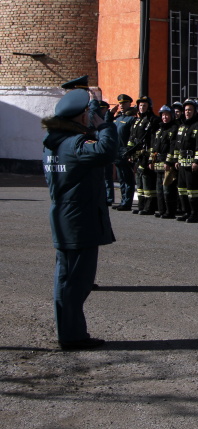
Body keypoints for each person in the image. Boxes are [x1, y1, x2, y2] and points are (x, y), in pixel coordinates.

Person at [43, 89, 118, 350]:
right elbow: (107, 152)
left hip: (66, 219)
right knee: (76, 281)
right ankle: (72, 336)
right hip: (78, 222)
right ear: (82, 115)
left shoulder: (54, 141)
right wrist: (106, 125)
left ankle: (70, 332)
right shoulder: (74, 144)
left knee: (67, 279)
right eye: (89, 113)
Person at [174, 99, 198, 223]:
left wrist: (197, 162)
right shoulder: (182, 126)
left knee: (193, 190)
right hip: (182, 163)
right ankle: (186, 212)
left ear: (195, 112)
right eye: (186, 110)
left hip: (193, 164)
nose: (187, 112)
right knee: (182, 189)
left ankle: (194, 213)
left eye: (190, 110)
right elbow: (178, 145)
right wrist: (177, 160)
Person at [127, 96, 159, 215]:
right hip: (137, 156)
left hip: (146, 155)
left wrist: (151, 157)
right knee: (139, 182)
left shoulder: (153, 121)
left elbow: (153, 141)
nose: (141, 108)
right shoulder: (137, 121)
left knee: (147, 181)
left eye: (144, 106)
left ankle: (149, 207)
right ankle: (141, 206)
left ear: (149, 107)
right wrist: (129, 152)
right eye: (140, 105)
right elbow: (132, 138)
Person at [149, 105, 179, 219]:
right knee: (159, 190)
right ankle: (162, 210)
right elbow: (154, 147)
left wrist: (169, 162)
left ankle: (170, 211)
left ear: (171, 116)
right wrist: (151, 160)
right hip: (158, 163)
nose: (165, 117)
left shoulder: (174, 129)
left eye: (167, 115)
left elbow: (173, 147)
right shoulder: (160, 129)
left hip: (167, 165)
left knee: (168, 189)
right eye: (163, 115)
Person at [110, 94, 136, 211]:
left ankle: (127, 202)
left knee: (127, 179)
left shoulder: (132, 119)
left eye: (124, 103)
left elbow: (133, 137)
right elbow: (106, 124)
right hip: (117, 152)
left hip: (125, 152)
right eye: (120, 103)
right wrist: (110, 113)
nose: (121, 105)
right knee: (121, 179)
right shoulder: (118, 118)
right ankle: (123, 200)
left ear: (129, 104)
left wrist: (129, 152)